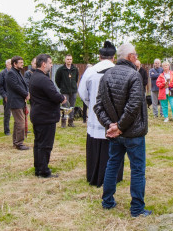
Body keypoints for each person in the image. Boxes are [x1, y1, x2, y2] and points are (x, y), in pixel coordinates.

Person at [94, 43, 151, 217]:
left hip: (118, 131)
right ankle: (136, 209)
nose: (136, 57)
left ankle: (107, 201)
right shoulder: (133, 75)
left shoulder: (106, 76)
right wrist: (115, 127)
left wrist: (113, 126)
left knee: (112, 164)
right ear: (130, 57)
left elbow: (98, 106)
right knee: (137, 169)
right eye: (135, 54)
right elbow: (133, 106)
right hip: (131, 133)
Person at [78, 41, 124, 187]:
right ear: (113, 57)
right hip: (114, 117)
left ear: (99, 56)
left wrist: (91, 104)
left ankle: (95, 174)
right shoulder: (119, 70)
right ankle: (114, 177)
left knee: (96, 144)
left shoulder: (90, 71)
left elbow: (82, 92)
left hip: (95, 114)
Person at [29, 54, 66, 178]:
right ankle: (43, 171)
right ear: (44, 64)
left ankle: (38, 168)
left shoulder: (35, 76)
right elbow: (54, 95)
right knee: (45, 145)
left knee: (39, 144)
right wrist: (63, 98)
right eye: (50, 63)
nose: (51, 65)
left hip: (39, 115)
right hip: (45, 117)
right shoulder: (43, 79)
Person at [5, 55, 30, 150]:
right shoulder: (11, 73)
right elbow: (16, 86)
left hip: (20, 101)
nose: (22, 64)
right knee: (20, 122)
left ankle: (16, 142)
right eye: (20, 63)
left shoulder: (18, 72)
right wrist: (25, 94)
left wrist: (27, 92)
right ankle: (19, 143)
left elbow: (23, 84)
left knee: (17, 123)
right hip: (15, 101)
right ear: (15, 64)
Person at [55, 54, 79, 128]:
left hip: (73, 91)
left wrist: (74, 86)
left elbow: (76, 79)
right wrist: (62, 87)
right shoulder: (61, 69)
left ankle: (71, 122)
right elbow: (57, 80)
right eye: (68, 59)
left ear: (72, 60)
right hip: (65, 91)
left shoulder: (75, 69)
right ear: (65, 60)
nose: (69, 61)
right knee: (65, 107)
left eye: (70, 59)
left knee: (72, 107)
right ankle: (63, 122)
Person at [0, 59, 12, 135]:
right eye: (9, 63)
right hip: (7, 96)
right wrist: (4, 96)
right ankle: (7, 130)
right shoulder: (2, 73)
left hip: (15, 96)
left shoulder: (15, 73)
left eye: (12, 63)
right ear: (6, 65)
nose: (11, 65)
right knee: (7, 114)